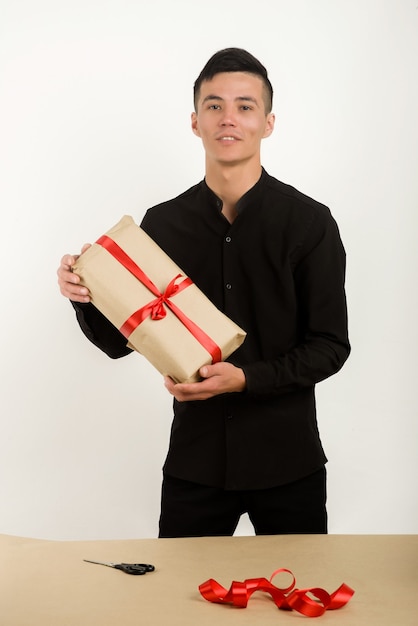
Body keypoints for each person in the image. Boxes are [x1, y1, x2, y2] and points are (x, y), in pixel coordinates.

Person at [57, 48, 350, 537]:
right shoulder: (162, 224)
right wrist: (83, 292)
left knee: (297, 608)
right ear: (195, 122)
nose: (228, 118)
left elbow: (329, 347)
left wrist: (245, 379)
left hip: (288, 465)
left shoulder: (309, 223)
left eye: (245, 105)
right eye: (214, 106)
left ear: (268, 122)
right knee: (175, 609)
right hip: (195, 465)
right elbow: (117, 343)